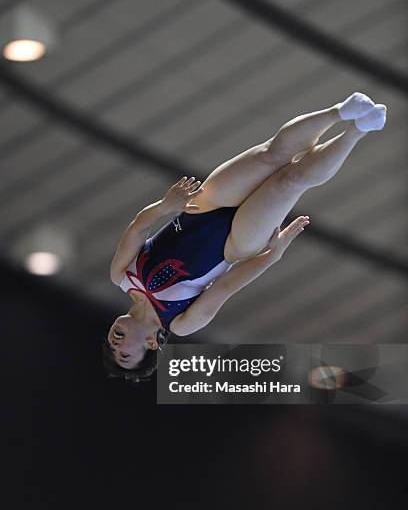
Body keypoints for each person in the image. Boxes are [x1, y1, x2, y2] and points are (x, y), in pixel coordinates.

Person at [102, 92, 387, 381]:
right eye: (124, 354)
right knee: (289, 181)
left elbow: (138, 227)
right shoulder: (180, 323)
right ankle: (357, 131)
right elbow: (225, 286)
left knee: (271, 154)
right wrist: (271, 257)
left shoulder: (120, 275)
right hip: (234, 245)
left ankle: (340, 111)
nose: (115, 344)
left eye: (110, 346)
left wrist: (165, 206)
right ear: (152, 345)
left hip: (201, 207)